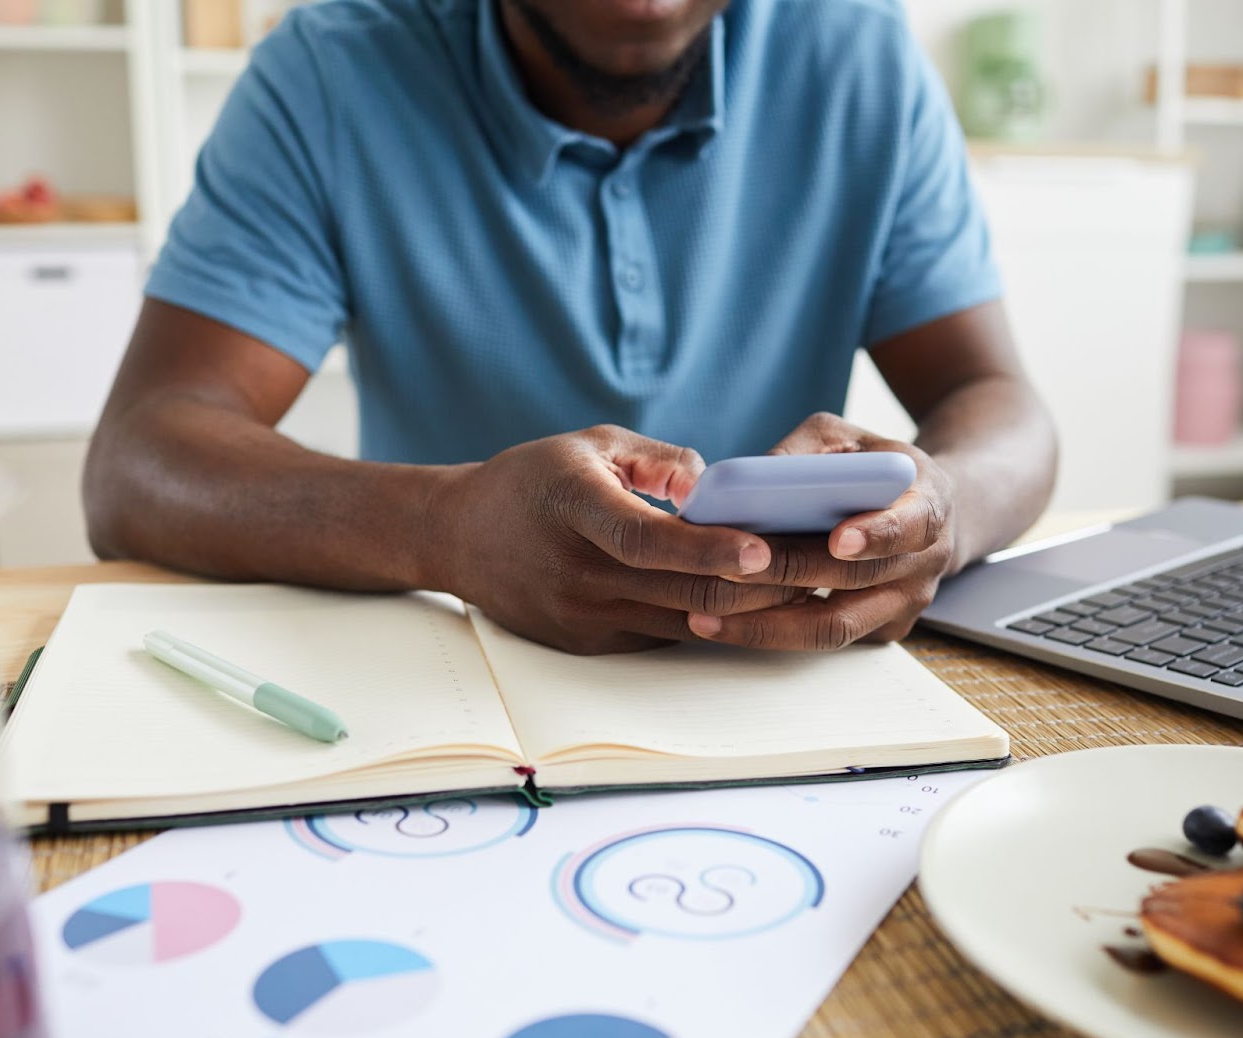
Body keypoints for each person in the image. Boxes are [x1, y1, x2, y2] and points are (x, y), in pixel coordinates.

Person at [83, 0, 1057, 655]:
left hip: (773, 691)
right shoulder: (332, 71)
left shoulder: (855, 50)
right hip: (452, 676)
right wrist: (447, 526)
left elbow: (998, 405)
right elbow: (138, 459)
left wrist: (944, 509)